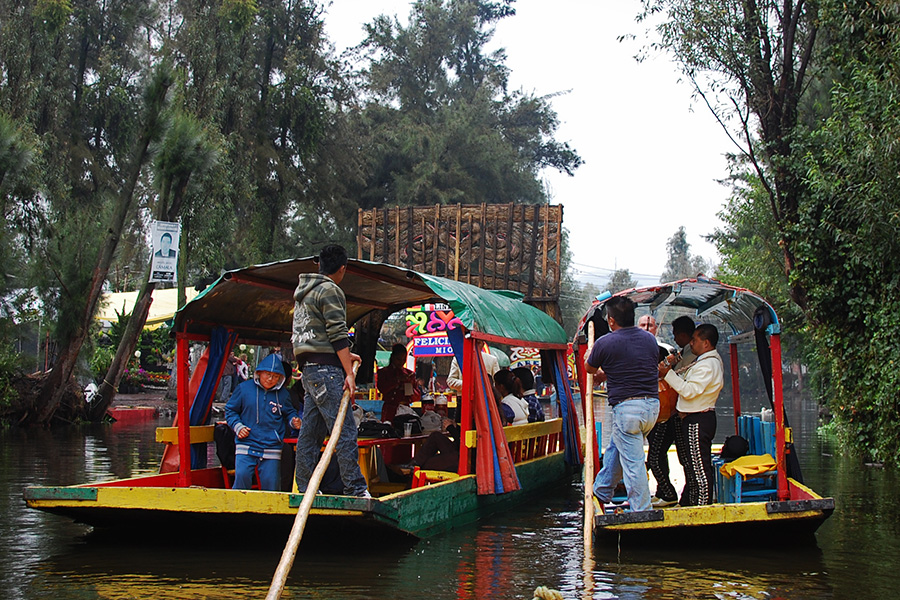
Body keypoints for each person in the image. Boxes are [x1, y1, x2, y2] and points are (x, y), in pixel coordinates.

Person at [292, 244, 369, 498]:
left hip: (310, 370)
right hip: (326, 372)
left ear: (319, 265)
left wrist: (346, 358)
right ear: (342, 268)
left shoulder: (303, 292)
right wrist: (348, 372)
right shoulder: (330, 290)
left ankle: (304, 488)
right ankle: (356, 489)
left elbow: (319, 337)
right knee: (345, 430)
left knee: (310, 433)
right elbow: (337, 334)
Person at [584, 296, 660, 513]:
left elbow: (589, 368)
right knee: (617, 446)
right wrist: (607, 373)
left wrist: (596, 367)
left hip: (628, 410)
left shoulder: (605, 342)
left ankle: (641, 512)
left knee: (634, 464)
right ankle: (601, 490)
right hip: (651, 408)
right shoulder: (649, 340)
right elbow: (635, 366)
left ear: (610, 320)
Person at [658, 323, 724, 506]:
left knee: (699, 468)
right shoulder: (703, 361)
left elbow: (688, 391)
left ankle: (702, 506)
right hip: (693, 418)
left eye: (695, 340)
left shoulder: (708, 364)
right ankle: (691, 502)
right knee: (693, 466)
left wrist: (668, 375)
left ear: (706, 343)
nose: (691, 343)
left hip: (699, 419)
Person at [224, 354, 301, 491]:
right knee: (242, 477)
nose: (270, 379)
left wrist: (294, 421)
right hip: (246, 443)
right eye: (267, 374)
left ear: (281, 378)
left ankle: (270, 511)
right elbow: (230, 410)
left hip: (271, 445)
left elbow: (290, 413)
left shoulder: (283, 395)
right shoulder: (244, 388)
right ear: (259, 373)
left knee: (271, 483)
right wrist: (238, 426)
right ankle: (237, 510)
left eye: (275, 376)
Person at [376, 343, 420, 423]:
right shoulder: (384, 372)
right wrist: (397, 381)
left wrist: (410, 388)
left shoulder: (409, 374)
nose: (401, 362)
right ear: (392, 357)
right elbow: (382, 388)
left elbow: (417, 397)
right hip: (390, 409)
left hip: (405, 409)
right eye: (398, 359)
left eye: (404, 359)